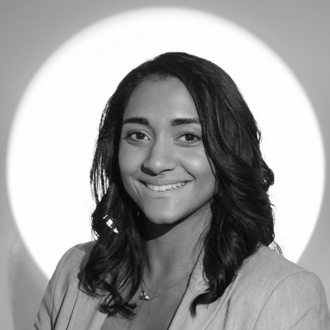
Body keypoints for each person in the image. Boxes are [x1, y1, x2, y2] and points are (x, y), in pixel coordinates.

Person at [35, 52, 330, 330]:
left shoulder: (283, 293)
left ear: (228, 149)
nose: (157, 161)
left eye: (188, 136)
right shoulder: (76, 271)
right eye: (138, 135)